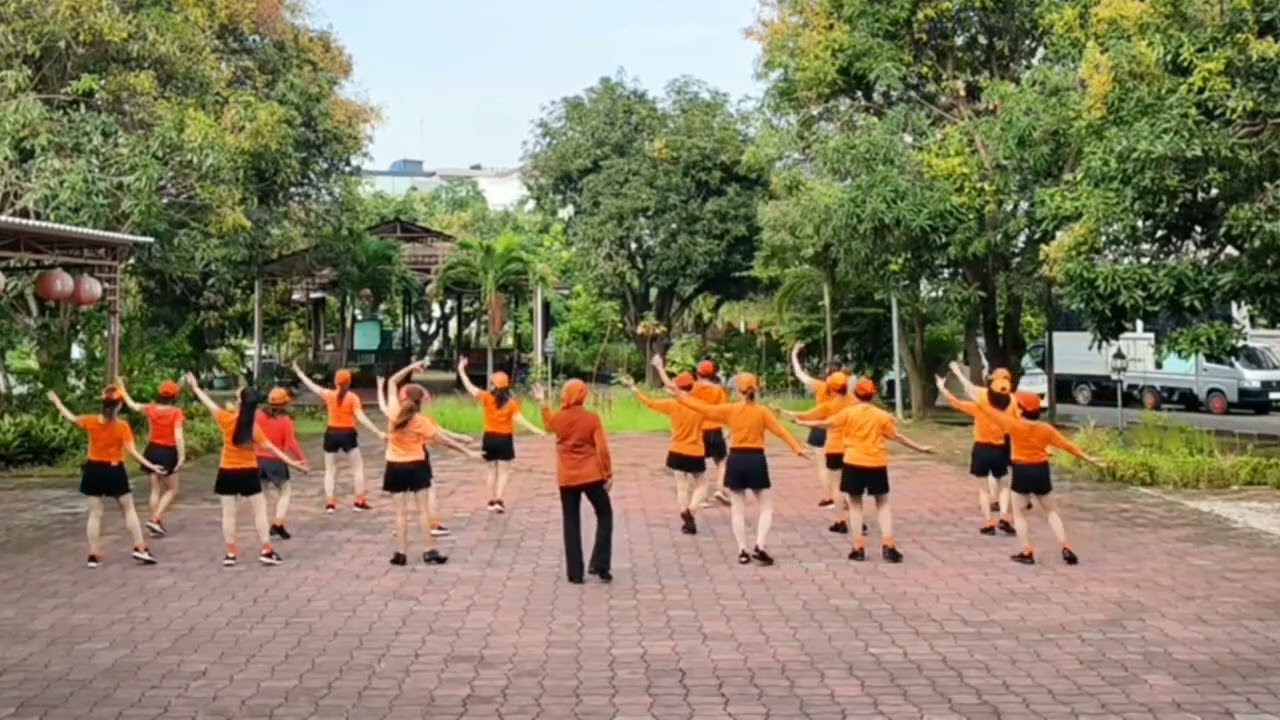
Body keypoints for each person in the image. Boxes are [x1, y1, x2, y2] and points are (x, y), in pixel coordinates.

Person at [655, 355, 810, 566]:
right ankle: (761, 545)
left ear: (738, 391)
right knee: (766, 506)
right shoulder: (762, 412)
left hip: (736, 459)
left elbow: (704, 409)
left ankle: (742, 551)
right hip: (756, 459)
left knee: (737, 507)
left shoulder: (730, 410)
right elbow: (781, 432)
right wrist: (798, 449)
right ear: (756, 389)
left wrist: (679, 397)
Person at [957, 381, 1103, 565]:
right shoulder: (1046, 429)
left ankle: (1027, 551)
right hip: (1041, 470)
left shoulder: (1014, 425)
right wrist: (1089, 459)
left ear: (1021, 410)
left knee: (1018, 513)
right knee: (1051, 511)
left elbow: (989, 412)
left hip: (1022, 471)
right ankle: (1065, 546)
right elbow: (1068, 446)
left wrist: (976, 399)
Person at [795, 378, 934, 563]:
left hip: (853, 461)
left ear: (856, 395)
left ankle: (858, 547)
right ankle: (889, 545)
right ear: (873, 394)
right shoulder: (882, 415)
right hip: (876, 462)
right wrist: (919, 448)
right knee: (882, 503)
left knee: (855, 504)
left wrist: (803, 423)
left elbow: (826, 423)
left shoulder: (848, 413)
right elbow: (897, 437)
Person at [186, 375, 308, 566]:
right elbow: (271, 448)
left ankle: (230, 553)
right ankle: (266, 550)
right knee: (259, 512)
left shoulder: (225, 419)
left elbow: (208, 403)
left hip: (227, 470)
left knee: (228, 514)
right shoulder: (253, 427)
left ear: (239, 402)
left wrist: (195, 387)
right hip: (248, 471)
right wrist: (293, 463)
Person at [379, 360, 481, 566]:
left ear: (403, 397)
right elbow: (444, 440)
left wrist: (411, 367)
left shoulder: (393, 414)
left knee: (400, 513)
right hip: (416, 465)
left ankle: (401, 553)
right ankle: (429, 550)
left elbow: (391, 381)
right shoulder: (420, 422)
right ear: (419, 402)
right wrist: (467, 452)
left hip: (394, 466)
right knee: (423, 511)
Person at [48, 387, 162, 567]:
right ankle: (139, 547)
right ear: (120, 405)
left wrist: (57, 403)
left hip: (93, 470)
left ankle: (94, 554)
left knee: (95, 514)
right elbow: (132, 452)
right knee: (128, 509)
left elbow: (71, 418)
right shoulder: (122, 426)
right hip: (114, 470)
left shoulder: (91, 421)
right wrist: (151, 466)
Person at [532, 380, 614, 584]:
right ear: (583, 395)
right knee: (605, 514)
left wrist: (542, 402)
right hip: (592, 475)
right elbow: (602, 449)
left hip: (567, 477)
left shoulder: (559, 418)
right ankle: (600, 564)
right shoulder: (592, 419)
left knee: (571, 521)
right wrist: (608, 473)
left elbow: (548, 425)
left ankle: (575, 573)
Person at [937, 363, 1021, 535]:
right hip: (999, 448)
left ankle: (989, 522)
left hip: (981, 448)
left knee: (984, 489)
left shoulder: (982, 400)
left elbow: (959, 400)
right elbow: (1017, 424)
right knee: (1004, 484)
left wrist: (949, 381)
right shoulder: (1012, 402)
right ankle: (1004, 516)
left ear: (991, 382)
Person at [778, 371, 865, 536]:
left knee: (837, 487)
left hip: (834, 449)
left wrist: (786, 413)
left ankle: (841, 521)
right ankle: (860, 521)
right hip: (853, 448)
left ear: (831, 389)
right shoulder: (855, 403)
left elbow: (807, 415)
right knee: (854, 488)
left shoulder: (829, 406)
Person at [456, 357, 547, 512]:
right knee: (504, 472)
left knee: (491, 470)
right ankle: (499, 499)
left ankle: (491, 500)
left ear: (493, 385)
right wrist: (536, 430)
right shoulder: (511, 403)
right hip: (505, 439)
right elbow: (520, 420)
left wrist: (461, 369)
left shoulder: (486, 397)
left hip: (489, 438)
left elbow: (469, 386)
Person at [622, 371, 708, 535]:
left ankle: (685, 515)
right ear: (692, 386)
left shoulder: (672, 404)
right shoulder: (699, 405)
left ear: (677, 386)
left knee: (681, 486)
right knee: (702, 484)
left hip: (677, 449)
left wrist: (635, 389)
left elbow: (650, 403)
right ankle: (691, 509)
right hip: (696, 450)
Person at [292, 364, 385, 513]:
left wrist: (300, 374)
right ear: (349, 383)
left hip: (331, 433)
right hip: (348, 433)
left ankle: (330, 503)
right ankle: (359, 501)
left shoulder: (329, 395)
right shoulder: (353, 398)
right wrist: (377, 432)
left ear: (336, 382)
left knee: (330, 470)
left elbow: (313, 387)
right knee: (357, 468)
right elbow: (361, 418)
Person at [117, 378, 186, 537]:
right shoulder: (176, 412)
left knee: (155, 489)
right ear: (175, 397)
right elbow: (178, 436)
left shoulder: (151, 409)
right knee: (172, 489)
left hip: (152, 449)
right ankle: (155, 519)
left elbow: (133, 405)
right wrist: (181, 456)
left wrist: (122, 389)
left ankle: (155, 521)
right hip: (168, 451)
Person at [789, 342, 844, 507]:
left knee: (823, 466)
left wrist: (794, 354)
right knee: (841, 468)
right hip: (838, 428)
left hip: (819, 426)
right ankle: (842, 497)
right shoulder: (845, 391)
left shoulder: (820, 386)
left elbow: (799, 373)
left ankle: (829, 497)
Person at [256, 388, 306, 540]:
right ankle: (278, 523)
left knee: (261, 495)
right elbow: (291, 443)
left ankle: (263, 526)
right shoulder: (285, 421)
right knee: (285, 492)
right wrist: (301, 460)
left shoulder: (258, 416)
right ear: (285, 403)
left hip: (257, 459)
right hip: (277, 460)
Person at [691, 359, 730, 506]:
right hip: (715, 429)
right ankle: (719, 488)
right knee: (721, 460)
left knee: (698, 463)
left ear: (698, 373)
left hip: (697, 430)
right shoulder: (718, 390)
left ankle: (702, 496)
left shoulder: (693, 389)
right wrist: (727, 428)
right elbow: (725, 410)